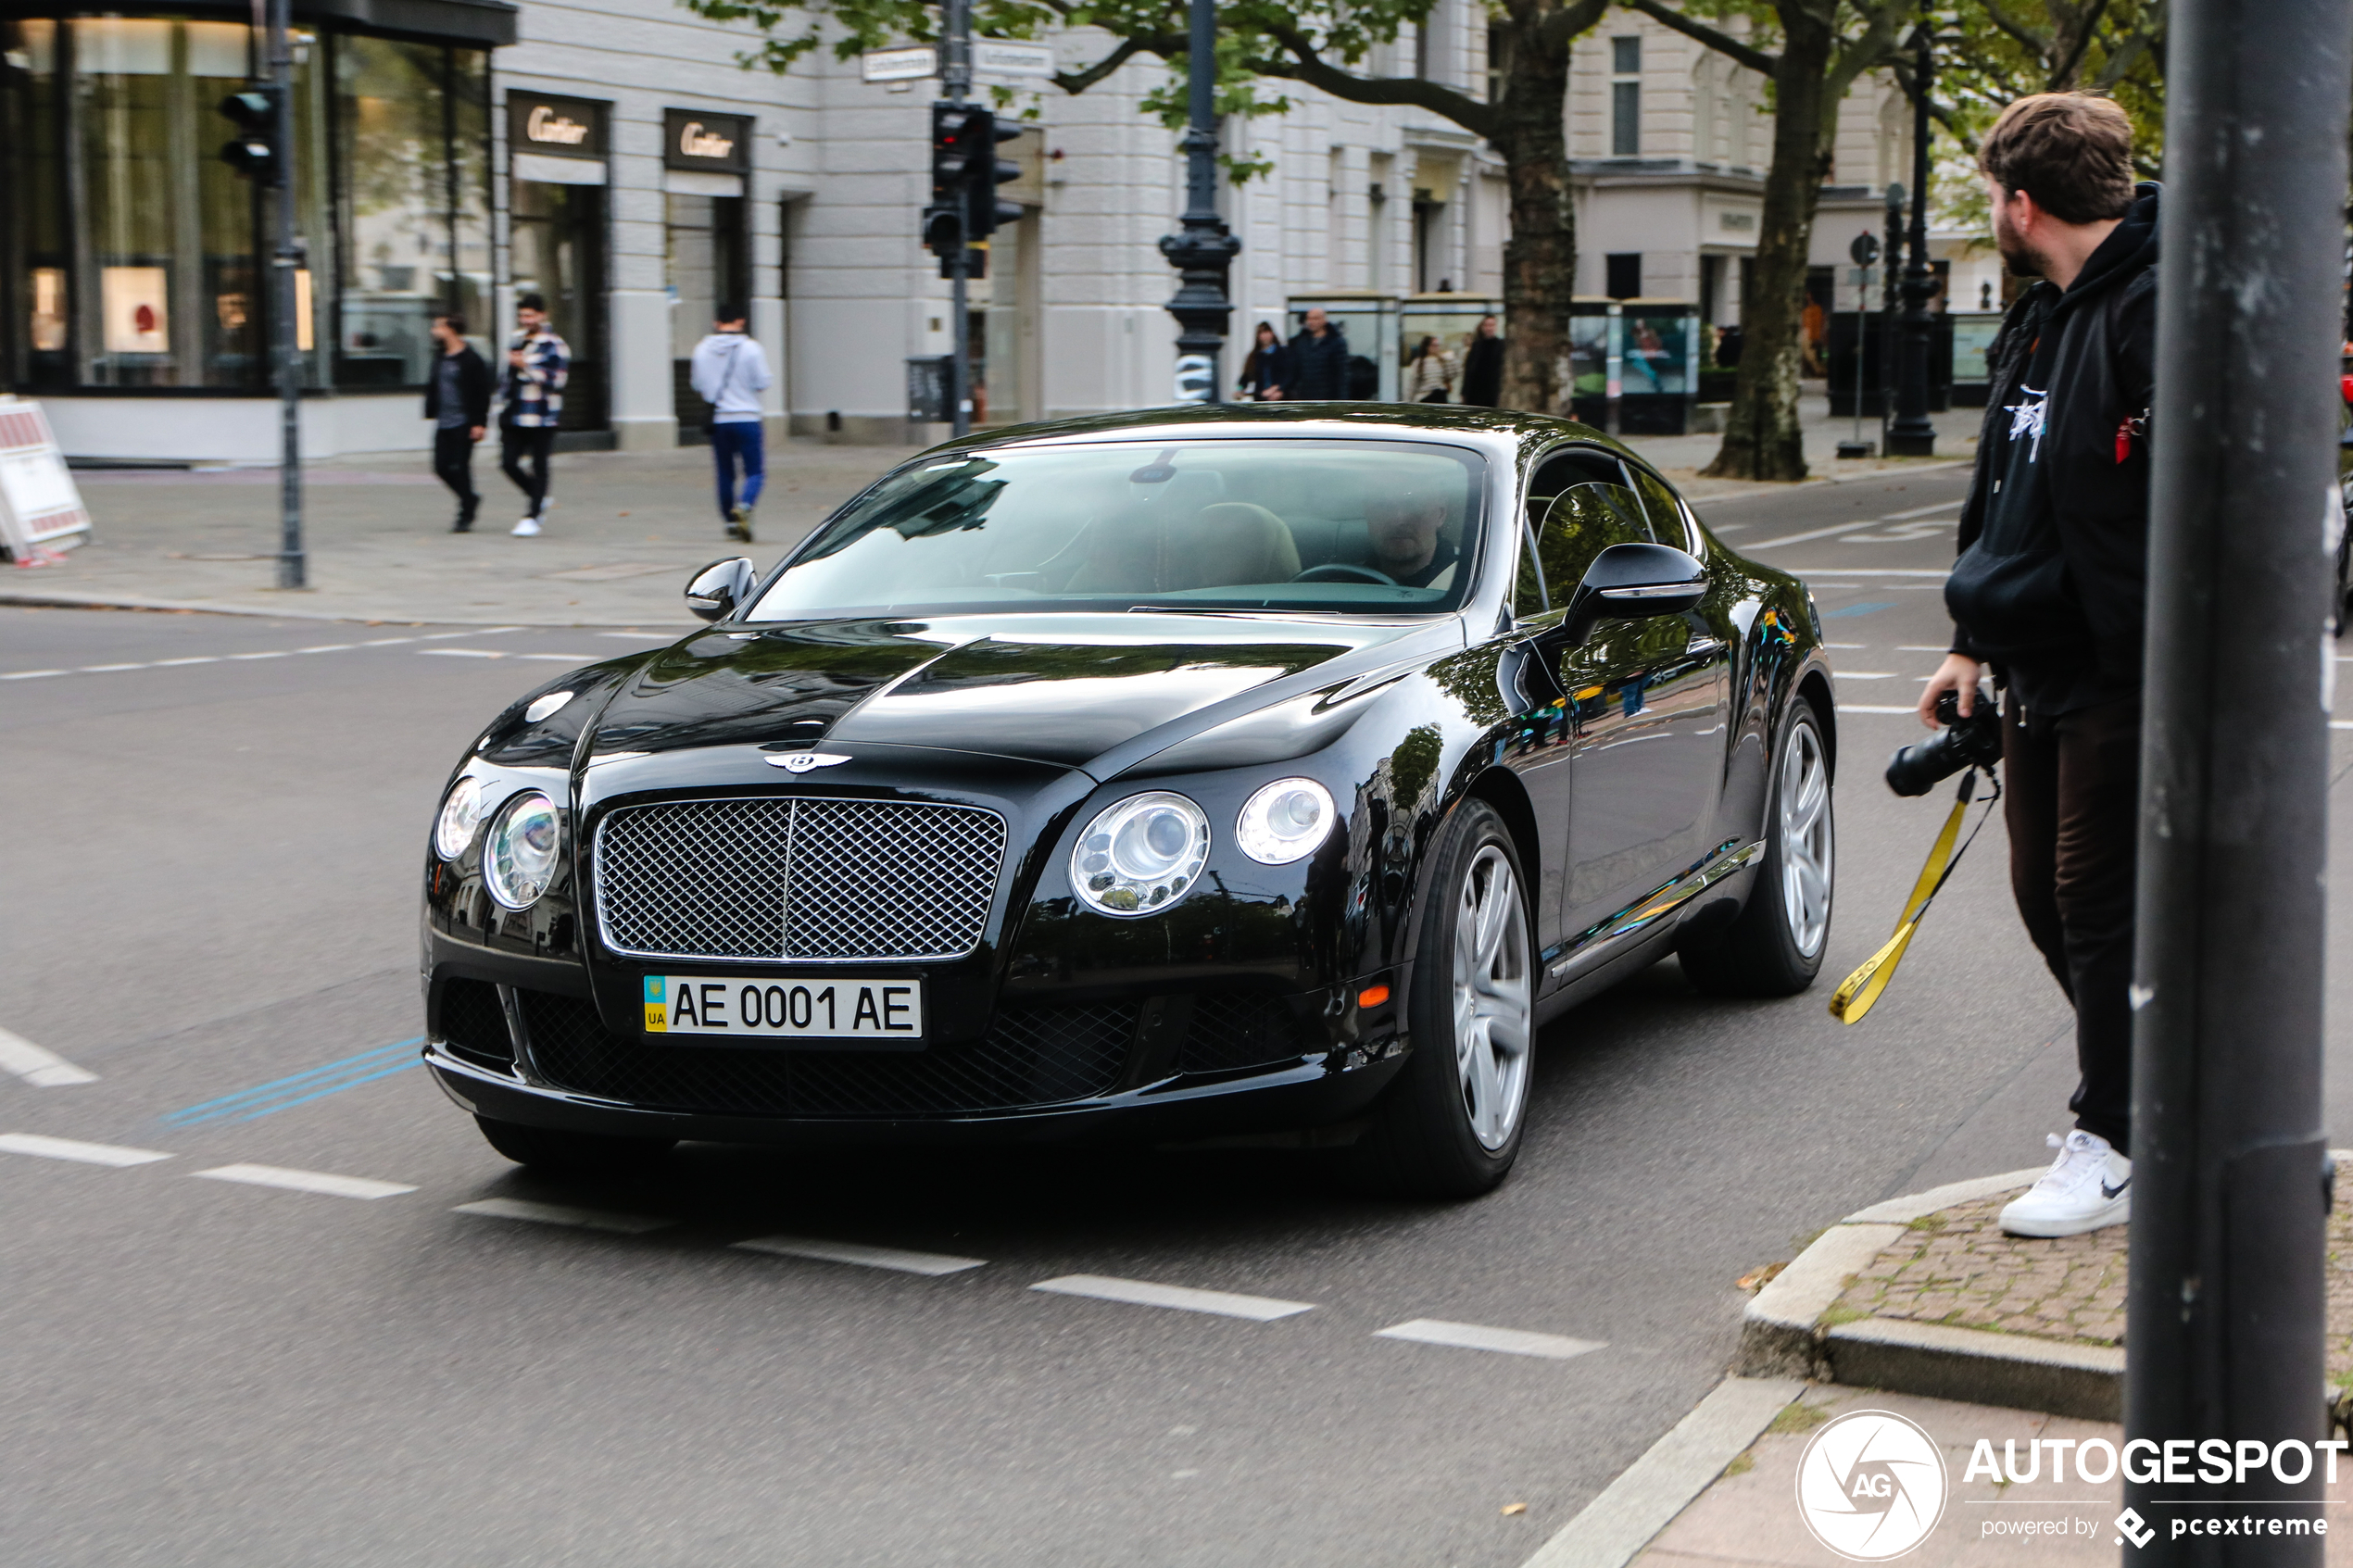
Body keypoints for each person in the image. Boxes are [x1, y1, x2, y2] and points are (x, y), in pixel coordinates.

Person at [1917, 92, 2157, 1239]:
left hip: (2121, 666)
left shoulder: (2151, 309)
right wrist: (1971, 639)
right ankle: (2154, 1092)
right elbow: (2001, 495)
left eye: (1990, 201)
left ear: (2021, 204)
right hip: (2032, 666)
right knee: (2040, 899)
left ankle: (2115, 1135)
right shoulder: (2038, 315)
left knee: (2091, 901)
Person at [689, 305, 774, 543]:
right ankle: (745, 505)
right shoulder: (751, 349)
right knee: (755, 471)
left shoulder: (701, 349)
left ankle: (729, 521)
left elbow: (697, 384)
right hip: (748, 417)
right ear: (741, 321)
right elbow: (763, 381)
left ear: (716, 322)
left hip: (719, 421)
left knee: (725, 472)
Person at [499, 293, 569, 537]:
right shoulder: (516, 339)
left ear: (542, 315)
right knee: (508, 462)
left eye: (530, 315)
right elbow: (508, 376)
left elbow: (557, 381)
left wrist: (526, 366)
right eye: (522, 315)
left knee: (539, 464)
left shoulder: (554, 344)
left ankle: (532, 515)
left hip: (541, 414)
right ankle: (539, 496)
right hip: (516, 412)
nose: (525, 320)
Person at [422, 314, 490, 533]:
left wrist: (479, 422)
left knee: (461, 467)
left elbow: (482, 393)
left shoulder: (471, 360)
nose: (434, 331)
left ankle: (465, 514)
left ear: (450, 329)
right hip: (444, 421)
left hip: (464, 422)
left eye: (438, 327)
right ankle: (469, 498)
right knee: (441, 467)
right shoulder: (440, 356)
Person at [1365, 487, 1456, 588]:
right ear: (1367, 514)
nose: (1398, 520)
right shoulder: (1349, 583)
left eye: (1413, 506)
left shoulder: (1467, 578)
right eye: (1383, 505)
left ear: (1441, 515)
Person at [1286, 307, 1350, 399]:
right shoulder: (1300, 342)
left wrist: (1342, 400)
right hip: (1304, 397)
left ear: (1324, 320)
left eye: (1315, 318)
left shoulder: (1336, 342)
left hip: (1328, 397)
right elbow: (1294, 370)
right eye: (1309, 319)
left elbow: (1341, 374)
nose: (1311, 322)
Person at [1236, 321, 1290, 401]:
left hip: (1281, 398)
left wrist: (1279, 389)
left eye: (1266, 332)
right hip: (1260, 398)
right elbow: (1245, 378)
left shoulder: (1283, 353)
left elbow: (1289, 375)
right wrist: (1239, 389)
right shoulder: (1254, 356)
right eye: (1261, 333)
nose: (1264, 336)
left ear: (1272, 334)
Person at [1459, 315, 1504, 407]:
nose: (1489, 328)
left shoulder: (1501, 346)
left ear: (1496, 327)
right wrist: (1464, 392)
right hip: (1476, 392)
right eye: (1487, 325)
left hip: (1493, 391)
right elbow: (1469, 371)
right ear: (1483, 327)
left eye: (1491, 325)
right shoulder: (1476, 346)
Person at [1405, 334, 1456, 403]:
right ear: (1427, 347)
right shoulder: (1419, 362)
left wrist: (1449, 359)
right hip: (1426, 396)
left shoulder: (1442, 361)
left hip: (1440, 395)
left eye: (1438, 345)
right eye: (1434, 345)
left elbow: (1452, 374)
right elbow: (1413, 384)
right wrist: (1409, 401)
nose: (1437, 348)